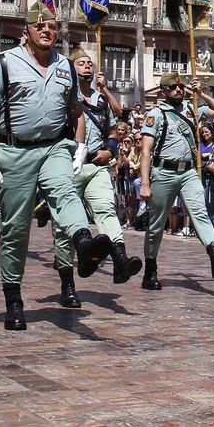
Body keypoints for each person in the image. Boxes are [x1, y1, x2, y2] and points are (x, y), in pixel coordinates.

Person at [0, 2, 112, 331]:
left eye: (52, 27)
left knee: (66, 194)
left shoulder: (65, 65)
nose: (47, 31)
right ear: (27, 32)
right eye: (40, 27)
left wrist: (79, 148)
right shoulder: (6, 63)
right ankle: (13, 298)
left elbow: (76, 111)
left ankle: (84, 244)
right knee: (15, 230)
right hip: (15, 151)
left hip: (54, 146)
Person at [55, 47, 141, 308]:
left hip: (96, 163)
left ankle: (119, 258)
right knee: (63, 226)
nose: (87, 67)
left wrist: (111, 149)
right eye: (80, 63)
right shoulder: (62, 94)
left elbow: (117, 125)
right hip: (68, 165)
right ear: (71, 68)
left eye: (89, 63)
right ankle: (67, 283)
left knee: (106, 209)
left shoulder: (100, 100)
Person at [138, 73, 214, 289]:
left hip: (188, 172)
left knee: (199, 212)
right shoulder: (156, 114)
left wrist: (202, 94)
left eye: (181, 87)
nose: (179, 91)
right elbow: (146, 151)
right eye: (173, 87)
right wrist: (145, 183)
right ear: (164, 91)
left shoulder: (192, 109)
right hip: (164, 172)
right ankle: (150, 269)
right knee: (156, 224)